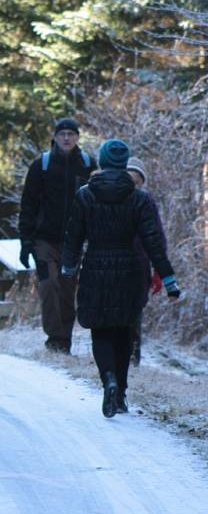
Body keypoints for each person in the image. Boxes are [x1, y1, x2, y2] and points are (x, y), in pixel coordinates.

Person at [62, 139, 180, 418]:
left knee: (100, 329)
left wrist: (68, 266)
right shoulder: (140, 198)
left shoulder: (85, 195)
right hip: (130, 268)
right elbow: (154, 243)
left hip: (95, 266)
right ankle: (122, 393)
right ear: (125, 162)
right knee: (124, 331)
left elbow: (73, 235)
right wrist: (169, 279)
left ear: (102, 161)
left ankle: (109, 381)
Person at [19, 118, 96, 354]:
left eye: (70, 134)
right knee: (48, 285)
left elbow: (96, 205)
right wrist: (25, 242)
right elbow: (28, 205)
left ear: (77, 138)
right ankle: (54, 338)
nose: (66, 138)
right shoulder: (40, 165)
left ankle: (65, 339)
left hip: (74, 242)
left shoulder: (88, 165)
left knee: (66, 289)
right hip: (44, 240)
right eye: (62, 133)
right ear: (55, 137)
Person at [126, 157, 166, 366]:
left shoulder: (147, 202)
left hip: (139, 266)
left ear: (141, 182)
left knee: (133, 315)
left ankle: (132, 360)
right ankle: (124, 359)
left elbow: (157, 237)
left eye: (136, 180)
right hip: (125, 265)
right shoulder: (110, 199)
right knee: (126, 316)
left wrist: (160, 271)